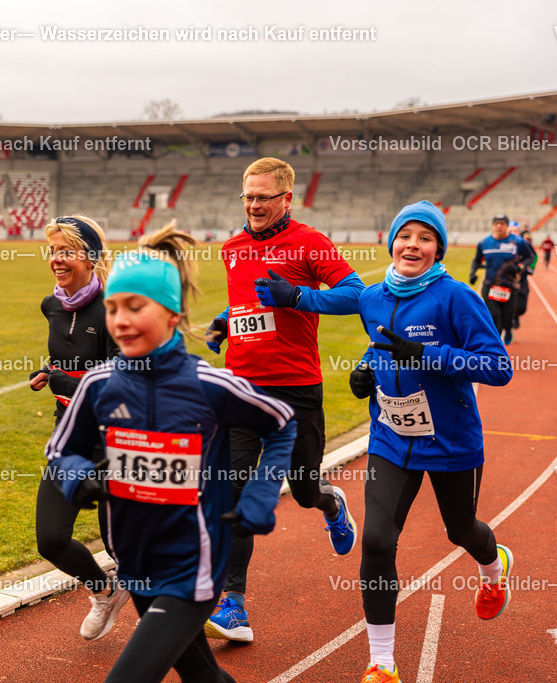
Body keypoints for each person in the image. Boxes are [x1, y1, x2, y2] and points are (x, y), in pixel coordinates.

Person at [46, 224, 297, 682]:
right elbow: (60, 449)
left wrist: (260, 496)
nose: (120, 320)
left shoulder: (211, 386)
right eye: (113, 308)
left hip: (193, 562)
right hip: (136, 563)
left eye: (135, 307)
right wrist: (78, 475)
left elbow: (282, 423)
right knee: (204, 676)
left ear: (172, 316)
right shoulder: (100, 385)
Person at [349, 201, 514, 683]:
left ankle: (493, 563)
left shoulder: (458, 298)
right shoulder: (375, 296)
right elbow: (377, 341)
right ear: (392, 242)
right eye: (405, 236)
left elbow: (497, 367)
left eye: (424, 237)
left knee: (460, 531)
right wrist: (364, 369)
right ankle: (382, 663)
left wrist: (429, 354)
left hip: (451, 441)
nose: (412, 245)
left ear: (438, 248)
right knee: (377, 540)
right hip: (390, 437)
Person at [203, 157, 364, 641]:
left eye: (262, 197)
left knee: (304, 487)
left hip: (296, 391)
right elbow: (249, 301)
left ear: (286, 199)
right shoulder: (232, 248)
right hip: (243, 388)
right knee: (235, 490)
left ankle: (330, 503)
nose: (253, 205)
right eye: (247, 196)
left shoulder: (310, 243)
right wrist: (225, 320)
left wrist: (296, 297)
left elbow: (356, 294)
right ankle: (234, 606)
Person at [28, 215, 127, 640]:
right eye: (53, 250)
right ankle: (103, 591)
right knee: (50, 540)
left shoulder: (111, 309)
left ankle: (179, 626)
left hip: (113, 441)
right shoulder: (52, 305)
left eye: (66, 251)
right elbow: (66, 362)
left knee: (122, 549)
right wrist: (48, 373)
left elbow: (123, 383)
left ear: (90, 257)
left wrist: (72, 381)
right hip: (68, 436)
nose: (56, 259)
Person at [469, 214, 535, 345]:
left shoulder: (518, 242)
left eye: (502, 223)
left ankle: (509, 330)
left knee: (507, 320)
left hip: (509, 287)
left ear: (506, 226)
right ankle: (496, 347)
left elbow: (530, 257)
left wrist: (519, 267)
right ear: (493, 226)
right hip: (490, 286)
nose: (499, 226)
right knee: (494, 318)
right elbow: (476, 260)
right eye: (496, 223)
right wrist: (472, 273)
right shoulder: (484, 243)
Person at [513, 231, 538, 329]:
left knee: (521, 306)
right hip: (506, 280)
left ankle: (515, 316)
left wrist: (530, 268)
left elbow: (534, 257)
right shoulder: (504, 244)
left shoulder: (524, 244)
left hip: (521, 278)